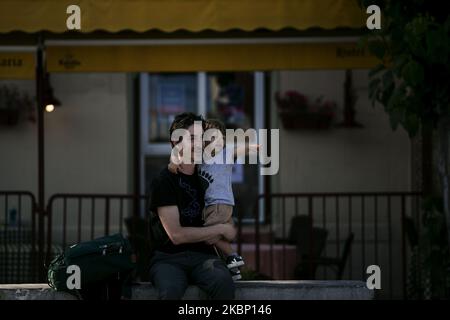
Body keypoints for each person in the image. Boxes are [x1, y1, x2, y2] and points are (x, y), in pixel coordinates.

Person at [148, 112, 236, 300]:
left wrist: (226, 226)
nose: (199, 143)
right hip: (168, 259)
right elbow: (177, 235)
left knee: (224, 282)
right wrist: (221, 229)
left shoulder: (207, 178)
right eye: (193, 138)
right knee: (170, 291)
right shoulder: (164, 181)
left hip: (203, 256)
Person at [169, 118, 259, 280]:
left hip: (219, 204)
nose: (213, 142)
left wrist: (254, 147)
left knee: (207, 234)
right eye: (209, 138)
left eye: (218, 138)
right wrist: (173, 164)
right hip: (212, 205)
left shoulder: (225, 154)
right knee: (215, 237)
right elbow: (179, 155)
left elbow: (240, 149)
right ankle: (233, 270)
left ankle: (232, 255)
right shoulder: (201, 158)